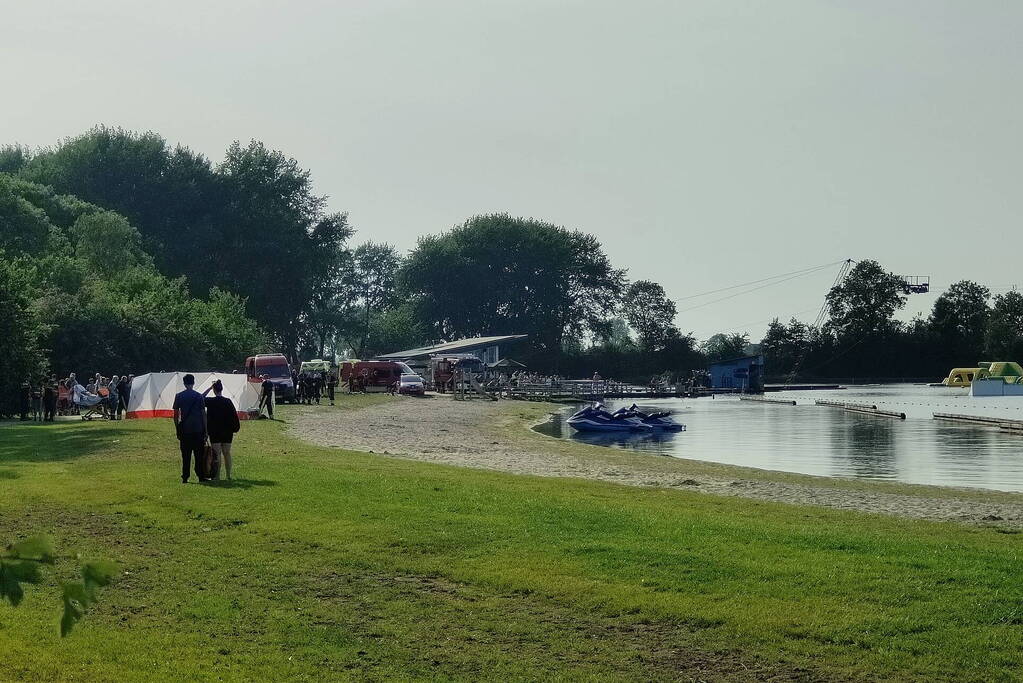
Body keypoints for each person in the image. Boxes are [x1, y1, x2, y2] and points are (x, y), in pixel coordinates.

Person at [173, 374, 208, 483]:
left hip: (185, 430)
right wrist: (206, 430)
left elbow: (175, 415)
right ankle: (200, 476)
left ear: (184, 383)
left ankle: (185, 476)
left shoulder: (179, 396)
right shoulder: (199, 396)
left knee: (186, 455)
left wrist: (177, 428)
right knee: (199, 455)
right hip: (198, 429)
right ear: (193, 383)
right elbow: (203, 414)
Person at [202, 380, 240, 480]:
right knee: (227, 453)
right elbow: (234, 416)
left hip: (215, 431)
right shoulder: (228, 401)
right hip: (227, 431)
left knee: (217, 454)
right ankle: (228, 475)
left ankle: (217, 476)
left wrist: (209, 388)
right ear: (222, 389)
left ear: (214, 390)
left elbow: (200, 398)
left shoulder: (210, 401)